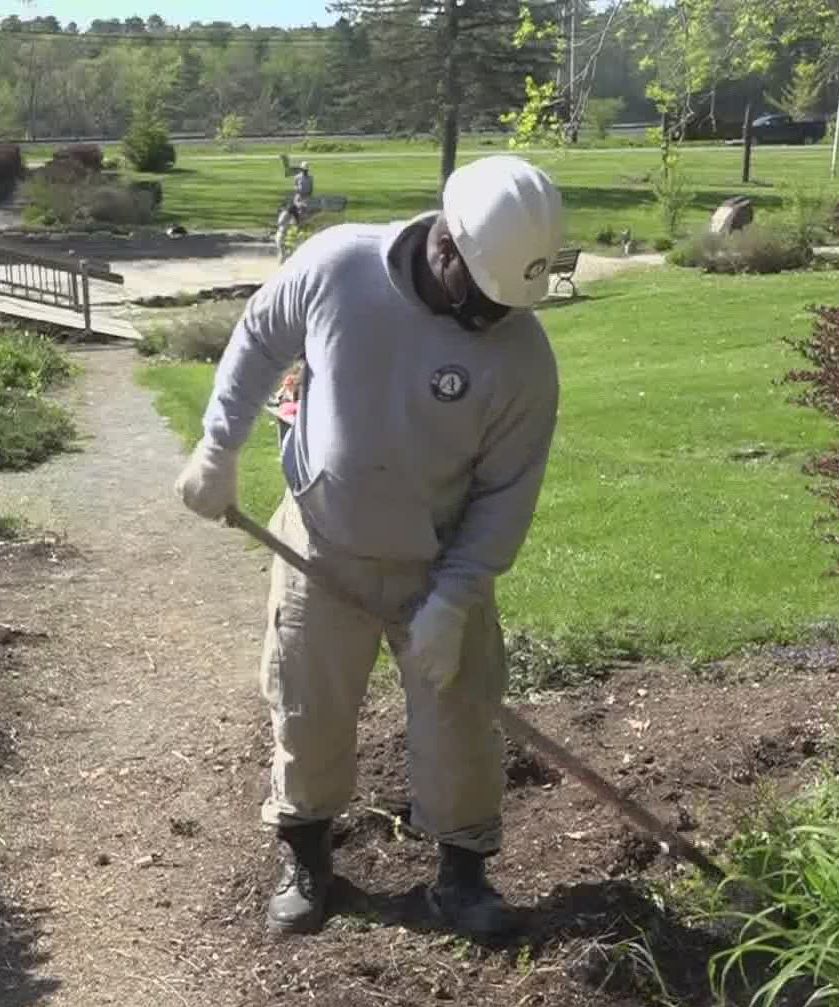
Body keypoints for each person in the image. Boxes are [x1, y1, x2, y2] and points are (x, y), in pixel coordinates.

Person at [175, 155, 564, 937]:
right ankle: (308, 860)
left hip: (438, 563)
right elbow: (258, 338)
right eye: (482, 302)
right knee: (307, 707)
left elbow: (504, 496)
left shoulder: (524, 358)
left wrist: (455, 601)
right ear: (447, 246)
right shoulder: (338, 266)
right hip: (321, 544)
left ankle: (460, 878)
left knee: (461, 715)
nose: (494, 320)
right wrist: (218, 446)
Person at [274, 161, 317, 261]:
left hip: (304, 202)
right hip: (297, 201)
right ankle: (283, 250)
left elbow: (311, 191)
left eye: (306, 170)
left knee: (300, 225)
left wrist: (306, 203)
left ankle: (291, 251)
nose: (305, 172)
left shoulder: (310, 178)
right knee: (285, 223)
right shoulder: (297, 177)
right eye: (303, 170)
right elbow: (295, 187)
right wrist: (298, 190)